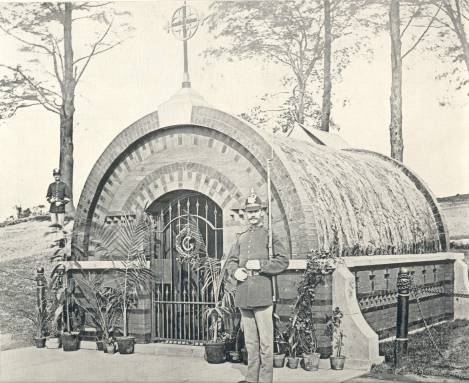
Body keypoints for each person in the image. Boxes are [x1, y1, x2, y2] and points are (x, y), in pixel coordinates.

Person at [226, 191, 289, 383]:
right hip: (244, 293)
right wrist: (235, 271)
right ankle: (252, 378)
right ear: (244, 213)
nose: (252, 215)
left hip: (262, 294)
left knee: (266, 344)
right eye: (249, 211)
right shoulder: (240, 237)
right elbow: (231, 261)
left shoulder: (270, 236)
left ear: (262, 212)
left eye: (256, 211)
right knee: (251, 342)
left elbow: (283, 261)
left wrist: (261, 265)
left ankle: (265, 380)